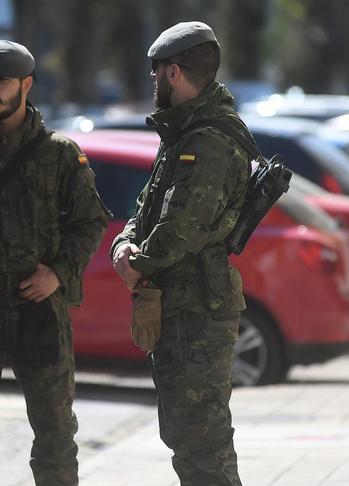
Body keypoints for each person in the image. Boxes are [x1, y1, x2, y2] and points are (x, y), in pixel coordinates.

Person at [0, 40, 109, 486]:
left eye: (3, 81)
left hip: (38, 305)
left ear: (26, 84)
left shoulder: (59, 153)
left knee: (54, 429)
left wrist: (58, 272)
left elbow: (89, 223)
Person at [111, 21, 249, 486]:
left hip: (198, 310)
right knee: (185, 438)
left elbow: (183, 229)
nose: (152, 82)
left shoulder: (208, 140)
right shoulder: (185, 134)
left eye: (155, 74)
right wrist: (124, 244)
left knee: (202, 442)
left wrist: (138, 264)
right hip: (180, 305)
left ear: (173, 72)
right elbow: (147, 206)